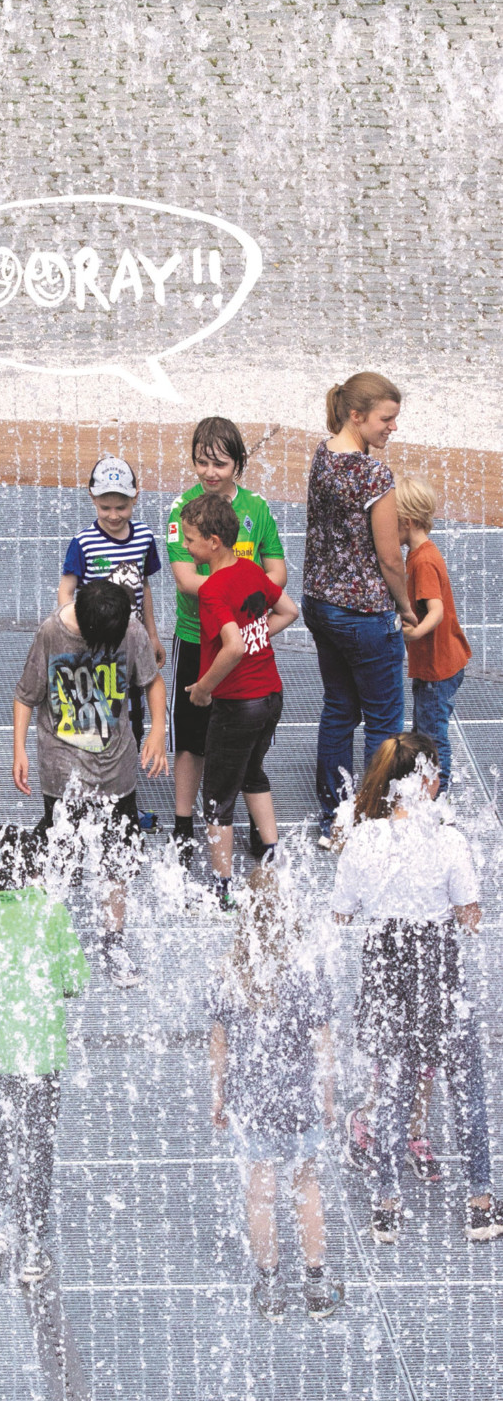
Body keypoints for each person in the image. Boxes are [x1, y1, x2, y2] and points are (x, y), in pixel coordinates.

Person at [331, 733, 503, 1244]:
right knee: (466, 1084)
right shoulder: (448, 839)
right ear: (425, 780)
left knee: (392, 1089)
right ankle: (480, 1203)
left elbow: (341, 914)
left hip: (385, 966)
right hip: (437, 968)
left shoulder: (363, 839)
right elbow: (470, 918)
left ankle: (386, 1206)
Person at [0, 823, 89, 1286]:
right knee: (38, 1144)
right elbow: (75, 980)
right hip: (42, 1053)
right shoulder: (52, 911)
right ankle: (32, 1243)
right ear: (35, 871)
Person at [12, 579, 169, 988]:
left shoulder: (129, 627)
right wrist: (19, 751)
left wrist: (158, 730)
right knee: (59, 858)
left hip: (116, 768)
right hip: (62, 771)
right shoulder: (52, 633)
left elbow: (151, 681)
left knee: (117, 860)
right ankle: (49, 943)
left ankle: (113, 941)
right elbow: (26, 695)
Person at [209, 867, 344, 1322]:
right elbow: (322, 1039)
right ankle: (317, 1283)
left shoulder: (232, 969)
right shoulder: (307, 967)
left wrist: (219, 1095)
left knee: (260, 1192)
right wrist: (327, 1098)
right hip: (300, 1099)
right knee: (306, 1187)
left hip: (252, 1103)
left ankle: (269, 1287)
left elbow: (219, 1041)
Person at [301, 373, 418, 846]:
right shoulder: (374, 475)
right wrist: (406, 607)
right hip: (365, 615)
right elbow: (391, 557)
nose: (393, 428)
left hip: (319, 603)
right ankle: (368, 821)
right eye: (386, 419)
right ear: (357, 415)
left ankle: (335, 811)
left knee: (338, 709)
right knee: (385, 722)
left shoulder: (324, 454)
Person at [166, 418, 286, 866]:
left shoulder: (258, 508)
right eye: (201, 461)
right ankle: (183, 826)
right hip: (198, 638)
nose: (209, 472)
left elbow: (278, 575)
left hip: (241, 644)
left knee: (243, 740)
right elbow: (184, 580)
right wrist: (240, 596)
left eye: (220, 463)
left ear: (239, 463)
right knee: (192, 738)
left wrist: (239, 618)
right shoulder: (184, 511)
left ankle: (249, 830)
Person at [181, 494, 298, 910]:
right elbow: (289, 610)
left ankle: (223, 885)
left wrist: (203, 688)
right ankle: (271, 855)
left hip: (238, 703)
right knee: (252, 772)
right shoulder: (249, 569)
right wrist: (258, 633)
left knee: (217, 797)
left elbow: (230, 647)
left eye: (191, 540)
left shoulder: (212, 589)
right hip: (271, 696)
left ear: (214, 542)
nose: (187, 547)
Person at [58, 456, 165, 829]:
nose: (114, 514)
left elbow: (144, 588)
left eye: (121, 506)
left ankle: (123, 803)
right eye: (105, 506)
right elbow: (66, 590)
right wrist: (73, 634)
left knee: (129, 723)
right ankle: (86, 801)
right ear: (91, 499)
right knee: (90, 724)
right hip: (93, 649)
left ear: (136, 498)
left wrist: (152, 634)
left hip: (130, 649)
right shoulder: (83, 543)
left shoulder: (144, 539)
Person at [396, 474, 471, 795]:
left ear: (408, 521)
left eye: (392, 520)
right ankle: (425, 785)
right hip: (437, 664)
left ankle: (439, 796)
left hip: (439, 668)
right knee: (424, 727)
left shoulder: (424, 560)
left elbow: (436, 610)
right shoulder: (421, 553)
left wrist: (414, 634)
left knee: (432, 734)